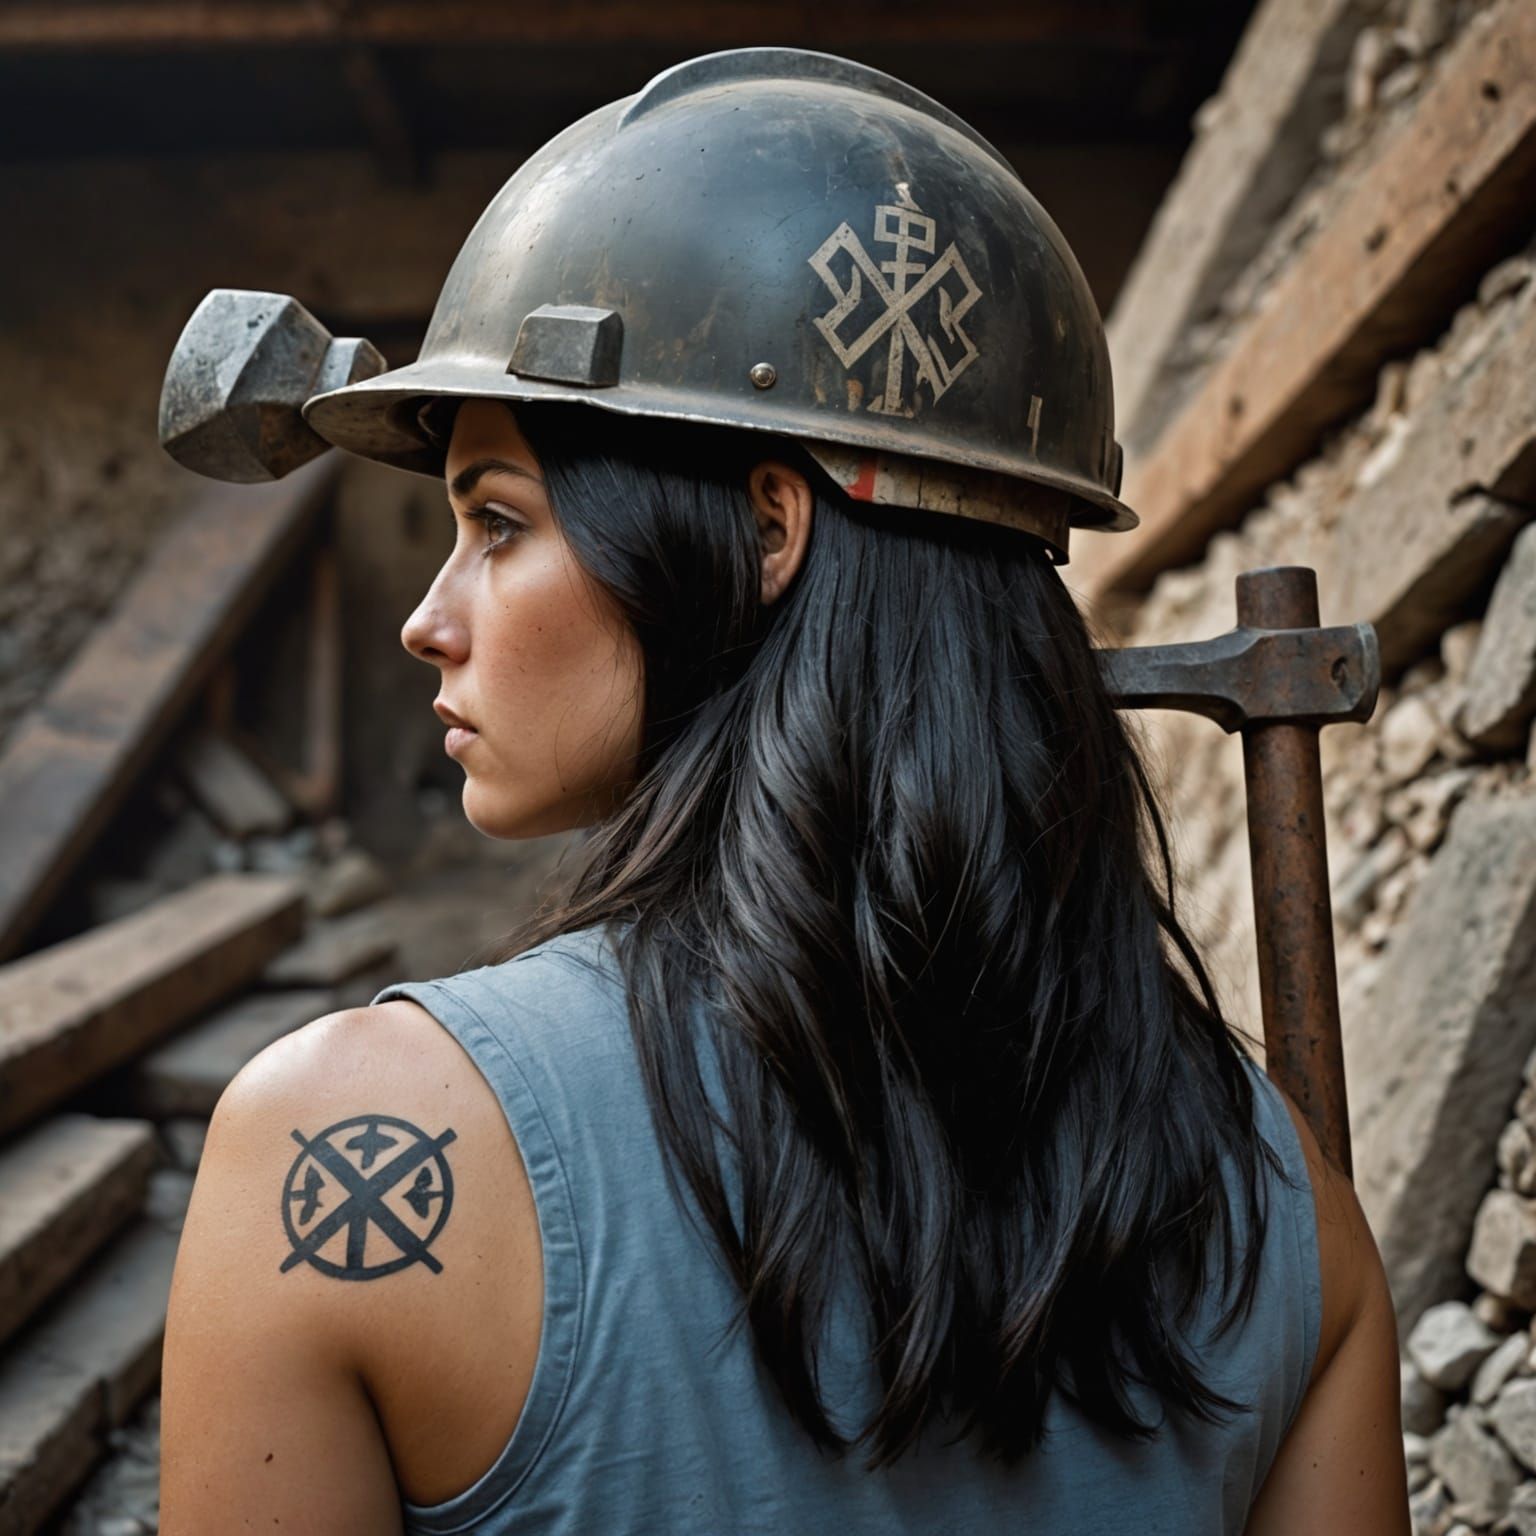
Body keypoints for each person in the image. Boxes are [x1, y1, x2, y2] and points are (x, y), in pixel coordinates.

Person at [157, 48, 1408, 1536]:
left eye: (498, 521)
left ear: (767, 530)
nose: (431, 618)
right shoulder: (1289, 1211)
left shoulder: (338, 1146)